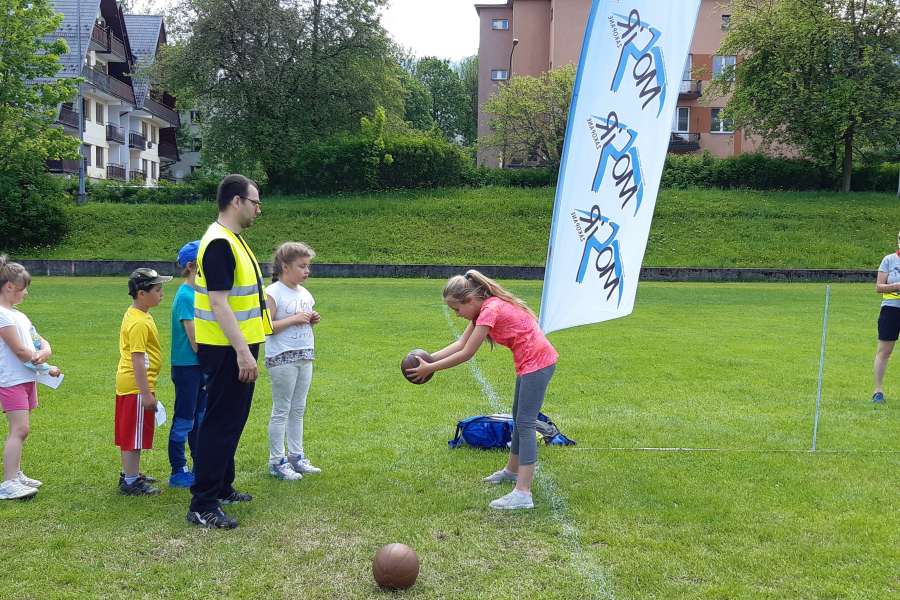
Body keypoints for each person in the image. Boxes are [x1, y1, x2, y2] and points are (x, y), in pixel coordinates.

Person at [406, 269, 558, 510]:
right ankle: (512, 471)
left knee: (526, 423)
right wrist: (427, 358)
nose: (457, 315)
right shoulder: (482, 310)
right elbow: (460, 343)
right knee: (520, 420)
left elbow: (466, 354)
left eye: (457, 309)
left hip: (538, 363)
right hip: (530, 363)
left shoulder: (490, 309)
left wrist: (430, 368)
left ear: (470, 300)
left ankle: (523, 492)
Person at [187, 174, 272, 529]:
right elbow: (219, 304)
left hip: (236, 345)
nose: (258, 208)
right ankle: (203, 502)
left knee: (232, 420)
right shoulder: (219, 242)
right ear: (235, 201)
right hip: (226, 348)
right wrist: (242, 351)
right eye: (254, 202)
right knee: (220, 422)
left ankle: (221, 486)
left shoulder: (233, 240)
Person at [0, 257, 60, 500]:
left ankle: (16, 473)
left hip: (25, 379)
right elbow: (21, 351)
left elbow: (39, 341)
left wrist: (44, 352)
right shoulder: (3, 316)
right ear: (9, 287)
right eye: (24, 287)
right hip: (10, 381)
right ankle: (9, 482)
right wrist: (46, 365)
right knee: (20, 429)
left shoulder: (19, 316)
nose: (26, 292)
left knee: (23, 429)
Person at [265, 242, 322, 481]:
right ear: (285, 266)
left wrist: (311, 319)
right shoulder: (273, 292)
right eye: (302, 266)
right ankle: (276, 460)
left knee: (298, 409)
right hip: (282, 358)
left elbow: (303, 319)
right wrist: (295, 319)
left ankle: (296, 456)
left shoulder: (305, 293)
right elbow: (265, 326)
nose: (307, 271)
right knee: (282, 409)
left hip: (304, 355)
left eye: (308, 266)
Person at [116, 268, 172, 496]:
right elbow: (137, 359)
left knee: (132, 432)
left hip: (132, 385)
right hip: (136, 386)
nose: (161, 294)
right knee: (134, 435)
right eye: (157, 290)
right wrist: (146, 392)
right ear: (141, 293)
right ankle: (130, 481)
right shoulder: (139, 322)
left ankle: (131, 473)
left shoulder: (140, 314)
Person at [168, 241, 207, 488]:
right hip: (187, 368)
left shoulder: (199, 294)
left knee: (200, 418)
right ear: (192, 267)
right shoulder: (185, 296)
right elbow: (195, 342)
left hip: (200, 367)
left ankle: (199, 464)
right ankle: (178, 469)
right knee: (185, 419)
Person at [872, 230, 900, 404]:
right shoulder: (889, 260)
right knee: (885, 351)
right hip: (891, 310)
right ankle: (878, 391)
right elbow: (878, 287)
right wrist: (896, 285)